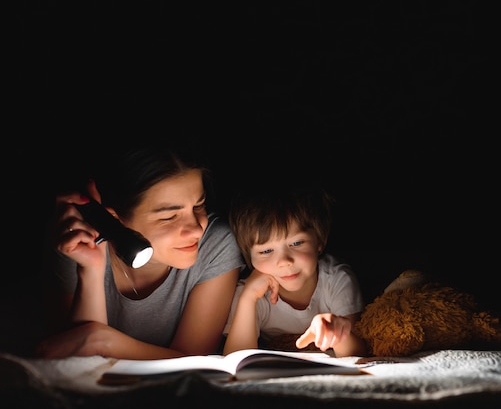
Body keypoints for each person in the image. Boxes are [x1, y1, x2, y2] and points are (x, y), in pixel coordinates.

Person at [36, 145, 245, 359]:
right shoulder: (75, 241)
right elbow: (74, 359)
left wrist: (102, 341)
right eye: (169, 217)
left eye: (198, 206)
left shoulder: (216, 244)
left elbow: (193, 363)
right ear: (115, 219)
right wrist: (90, 270)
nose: (196, 228)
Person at [223, 183, 367, 357]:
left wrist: (337, 334)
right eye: (266, 251)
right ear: (250, 257)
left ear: (319, 240)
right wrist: (248, 298)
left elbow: (358, 354)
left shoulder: (337, 279)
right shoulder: (251, 292)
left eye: (297, 243)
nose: (284, 261)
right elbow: (236, 359)